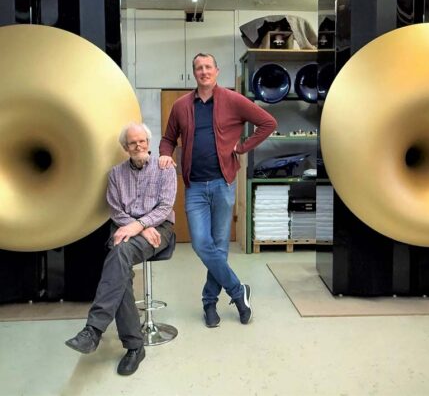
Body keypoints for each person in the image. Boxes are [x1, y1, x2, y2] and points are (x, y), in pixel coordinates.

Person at [159, 53, 277, 328]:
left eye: (208, 67)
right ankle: (238, 291)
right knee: (202, 243)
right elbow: (168, 138)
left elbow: (268, 123)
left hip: (223, 184)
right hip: (195, 187)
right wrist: (165, 154)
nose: (204, 71)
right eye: (199, 68)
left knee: (220, 246)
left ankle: (209, 303)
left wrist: (242, 147)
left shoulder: (233, 100)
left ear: (216, 70)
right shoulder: (181, 106)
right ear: (194, 73)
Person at [65, 122, 177, 376]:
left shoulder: (165, 168)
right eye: (132, 143)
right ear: (125, 147)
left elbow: (164, 207)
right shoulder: (115, 174)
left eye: (142, 141)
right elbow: (116, 210)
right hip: (126, 228)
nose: (138, 146)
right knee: (121, 268)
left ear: (148, 142)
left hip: (158, 228)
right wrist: (136, 227)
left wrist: (141, 225)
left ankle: (94, 330)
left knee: (119, 253)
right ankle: (134, 347)